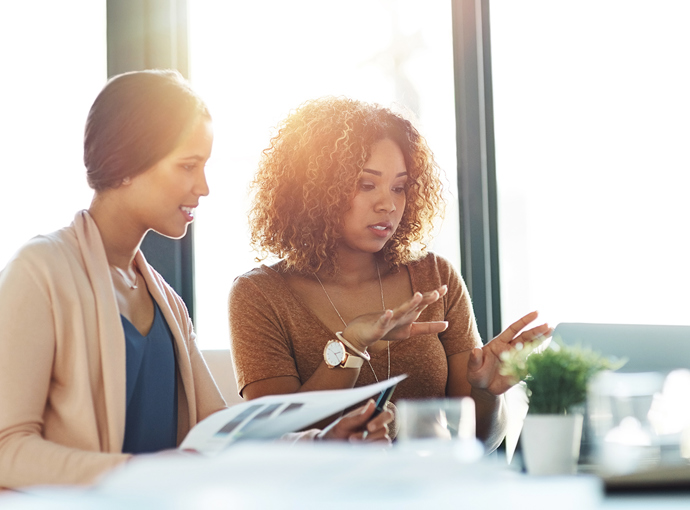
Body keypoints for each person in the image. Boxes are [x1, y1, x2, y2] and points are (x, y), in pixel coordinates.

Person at [0, 72, 391, 489]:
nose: (203, 187)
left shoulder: (165, 301)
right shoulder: (39, 270)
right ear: (125, 163)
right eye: (188, 166)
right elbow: (7, 450)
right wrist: (141, 473)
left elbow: (218, 437)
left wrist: (321, 443)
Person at [228, 97, 552, 450]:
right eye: (367, 185)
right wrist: (350, 347)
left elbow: (480, 442)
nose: (389, 204)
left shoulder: (435, 277)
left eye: (399, 187)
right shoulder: (259, 295)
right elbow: (273, 436)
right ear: (316, 190)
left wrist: (485, 390)